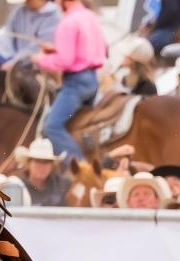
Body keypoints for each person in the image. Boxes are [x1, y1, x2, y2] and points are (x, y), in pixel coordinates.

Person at [32, 0, 107, 161]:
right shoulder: (89, 16)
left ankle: (79, 166)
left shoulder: (68, 23)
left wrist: (41, 59)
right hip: (92, 81)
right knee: (76, 126)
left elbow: (65, 61)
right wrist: (55, 51)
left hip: (76, 83)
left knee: (51, 127)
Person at [0, 0, 60, 68]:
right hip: (11, 60)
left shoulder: (53, 16)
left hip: (35, 67)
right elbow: (7, 33)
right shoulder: (19, 11)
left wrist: (14, 63)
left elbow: (40, 45)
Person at [13, 138, 72, 206]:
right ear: (28, 163)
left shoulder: (63, 184)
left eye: (46, 162)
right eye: (37, 161)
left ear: (52, 165)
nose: (42, 166)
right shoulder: (18, 187)